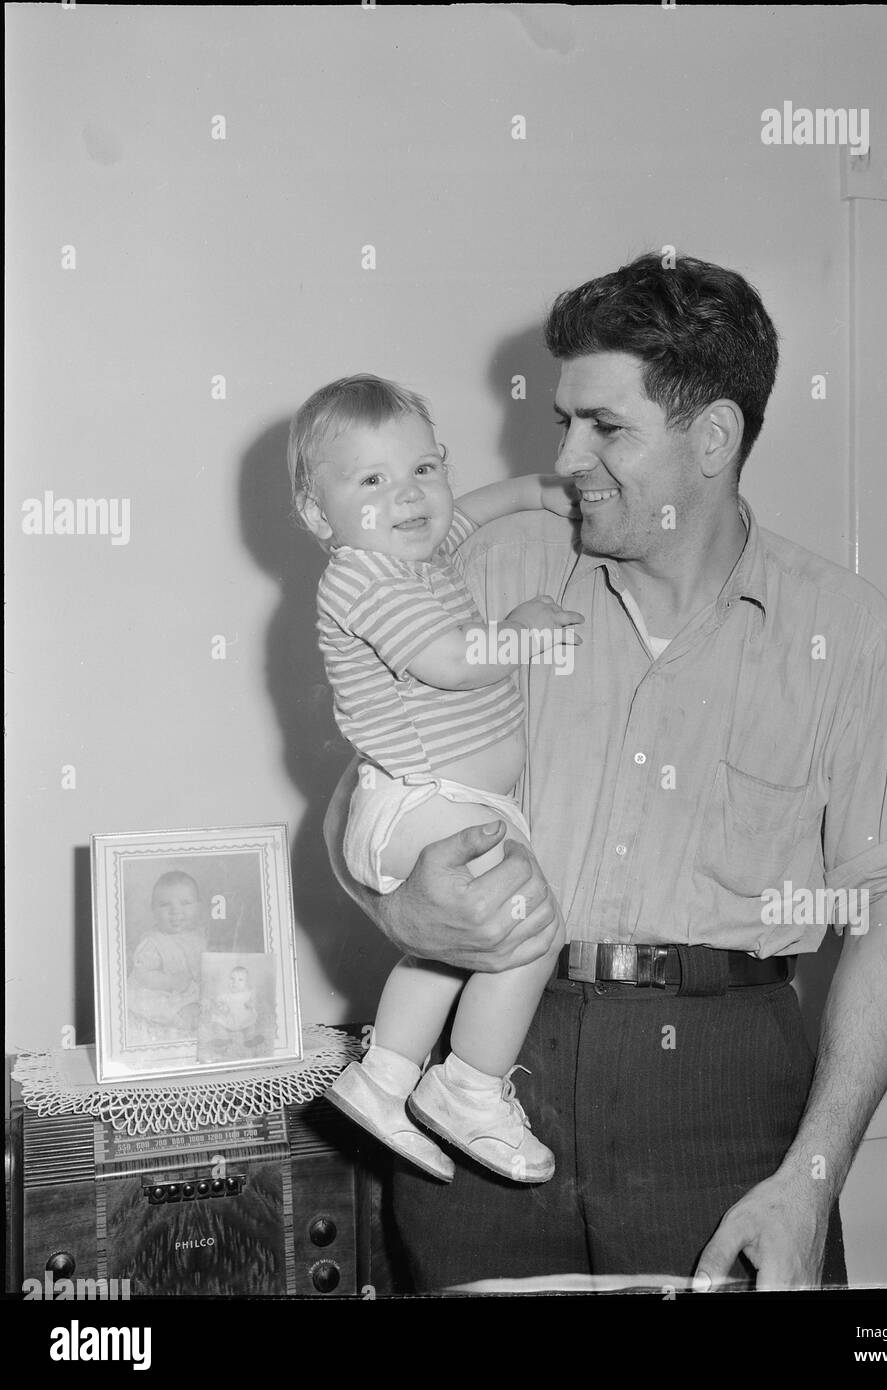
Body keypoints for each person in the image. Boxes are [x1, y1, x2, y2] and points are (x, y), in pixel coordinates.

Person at [323, 253, 887, 1292]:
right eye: (562, 422)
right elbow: (356, 803)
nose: (567, 457)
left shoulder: (841, 631)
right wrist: (398, 914)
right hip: (486, 1081)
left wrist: (809, 1175)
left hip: (727, 1098)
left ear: (712, 436)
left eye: (604, 427)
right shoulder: (493, 572)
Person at [289, 375, 582, 1184]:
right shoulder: (361, 577)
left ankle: (383, 1080)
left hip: (447, 802)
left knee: (454, 948)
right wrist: (517, 633)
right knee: (523, 930)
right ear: (322, 517)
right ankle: (470, 1089)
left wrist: (532, 491)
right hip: (416, 797)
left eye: (425, 468)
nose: (409, 496)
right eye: (372, 480)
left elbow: (464, 516)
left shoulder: (410, 560)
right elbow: (450, 662)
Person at [125, 870, 206, 1044]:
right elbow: (142, 975)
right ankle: (176, 1020)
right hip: (158, 990)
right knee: (158, 1006)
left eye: (185, 903)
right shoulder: (153, 942)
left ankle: (189, 1012)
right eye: (165, 905)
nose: (175, 911)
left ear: (198, 906)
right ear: (153, 910)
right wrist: (169, 981)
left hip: (186, 988)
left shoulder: (197, 936)